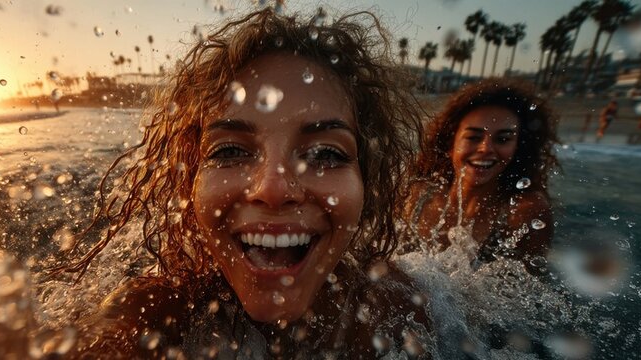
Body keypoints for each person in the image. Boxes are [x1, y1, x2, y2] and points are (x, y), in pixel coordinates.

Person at [51, 8, 430, 358]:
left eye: (326, 154)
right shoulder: (156, 314)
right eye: (229, 151)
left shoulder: (396, 308)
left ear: (368, 182)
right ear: (189, 183)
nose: (273, 189)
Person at [403, 78, 559, 274]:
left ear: (518, 148)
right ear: (451, 142)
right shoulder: (416, 196)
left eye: (502, 139)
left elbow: (529, 296)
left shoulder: (524, 214)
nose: (485, 148)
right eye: (474, 137)